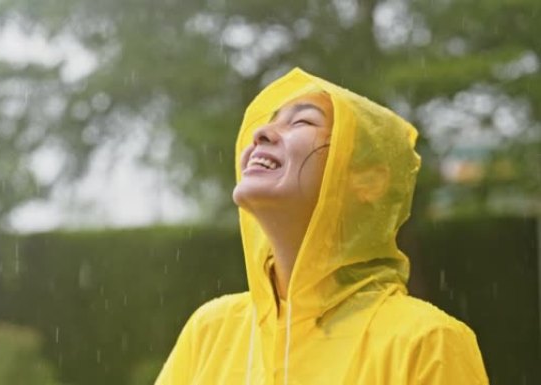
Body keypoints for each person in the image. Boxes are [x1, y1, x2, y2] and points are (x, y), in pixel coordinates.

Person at [155, 68, 489, 384]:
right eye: (269, 122)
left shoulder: (426, 342)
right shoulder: (211, 330)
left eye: (301, 121)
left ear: (368, 179)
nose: (261, 133)